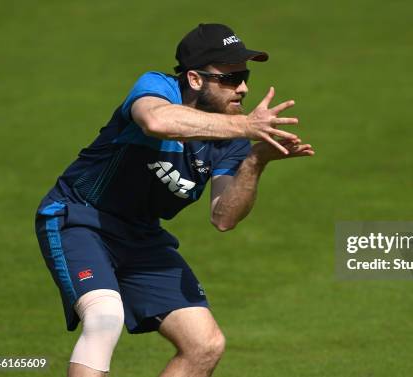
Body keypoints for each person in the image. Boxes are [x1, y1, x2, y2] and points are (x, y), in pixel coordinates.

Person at [34, 23, 314, 377]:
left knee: (204, 345)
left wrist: (255, 161)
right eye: (230, 78)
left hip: (141, 237)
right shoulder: (157, 87)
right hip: (79, 217)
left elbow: (224, 217)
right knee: (105, 316)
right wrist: (246, 126)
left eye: (244, 77)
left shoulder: (230, 141)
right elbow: (155, 120)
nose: (242, 88)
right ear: (195, 80)